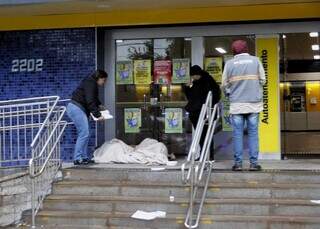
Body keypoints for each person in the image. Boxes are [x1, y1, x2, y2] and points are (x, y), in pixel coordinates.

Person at [221, 40, 266, 171]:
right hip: (254, 104)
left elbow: (224, 85)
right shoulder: (256, 61)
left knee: (237, 134)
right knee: (253, 134)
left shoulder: (229, 64)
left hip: (237, 104)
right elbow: (263, 80)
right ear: (247, 49)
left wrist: (230, 93)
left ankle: (238, 164)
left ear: (233, 50)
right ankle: (253, 164)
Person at [66, 70, 108, 165]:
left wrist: (100, 105)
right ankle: (77, 158)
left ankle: (84, 157)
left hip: (78, 108)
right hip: (77, 108)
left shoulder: (91, 82)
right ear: (99, 78)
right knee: (84, 133)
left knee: (86, 133)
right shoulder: (90, 83)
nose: (104, 83)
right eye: (104, 80)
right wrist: (98, 115)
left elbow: (93, 98)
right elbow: (90, 101)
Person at [184, 65, 221, 160]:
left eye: (192, 75)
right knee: (201, 135)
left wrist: (209, 106)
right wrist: (187, 88)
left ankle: (208, 155)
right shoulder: (197, 82)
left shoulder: (207, 81)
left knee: (205, 134)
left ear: (196, 74)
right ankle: (204, 155)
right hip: (197, 112)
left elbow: (215, 95)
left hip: (205, 112)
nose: (192, 78)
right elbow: (191, 97)